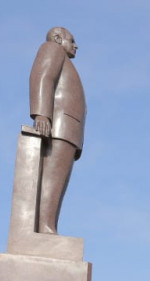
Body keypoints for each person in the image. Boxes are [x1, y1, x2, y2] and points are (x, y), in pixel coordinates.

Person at [29, 27, 86, 234]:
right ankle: (45, 227)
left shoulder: (66, 62)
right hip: (59, 128)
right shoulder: (51, 49)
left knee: (58, 184)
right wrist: (42, 114)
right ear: (57, 38)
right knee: (51, 181)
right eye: (72, 40)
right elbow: (43, 77)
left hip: (68, 130)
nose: (76, 45)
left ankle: (48, 224)